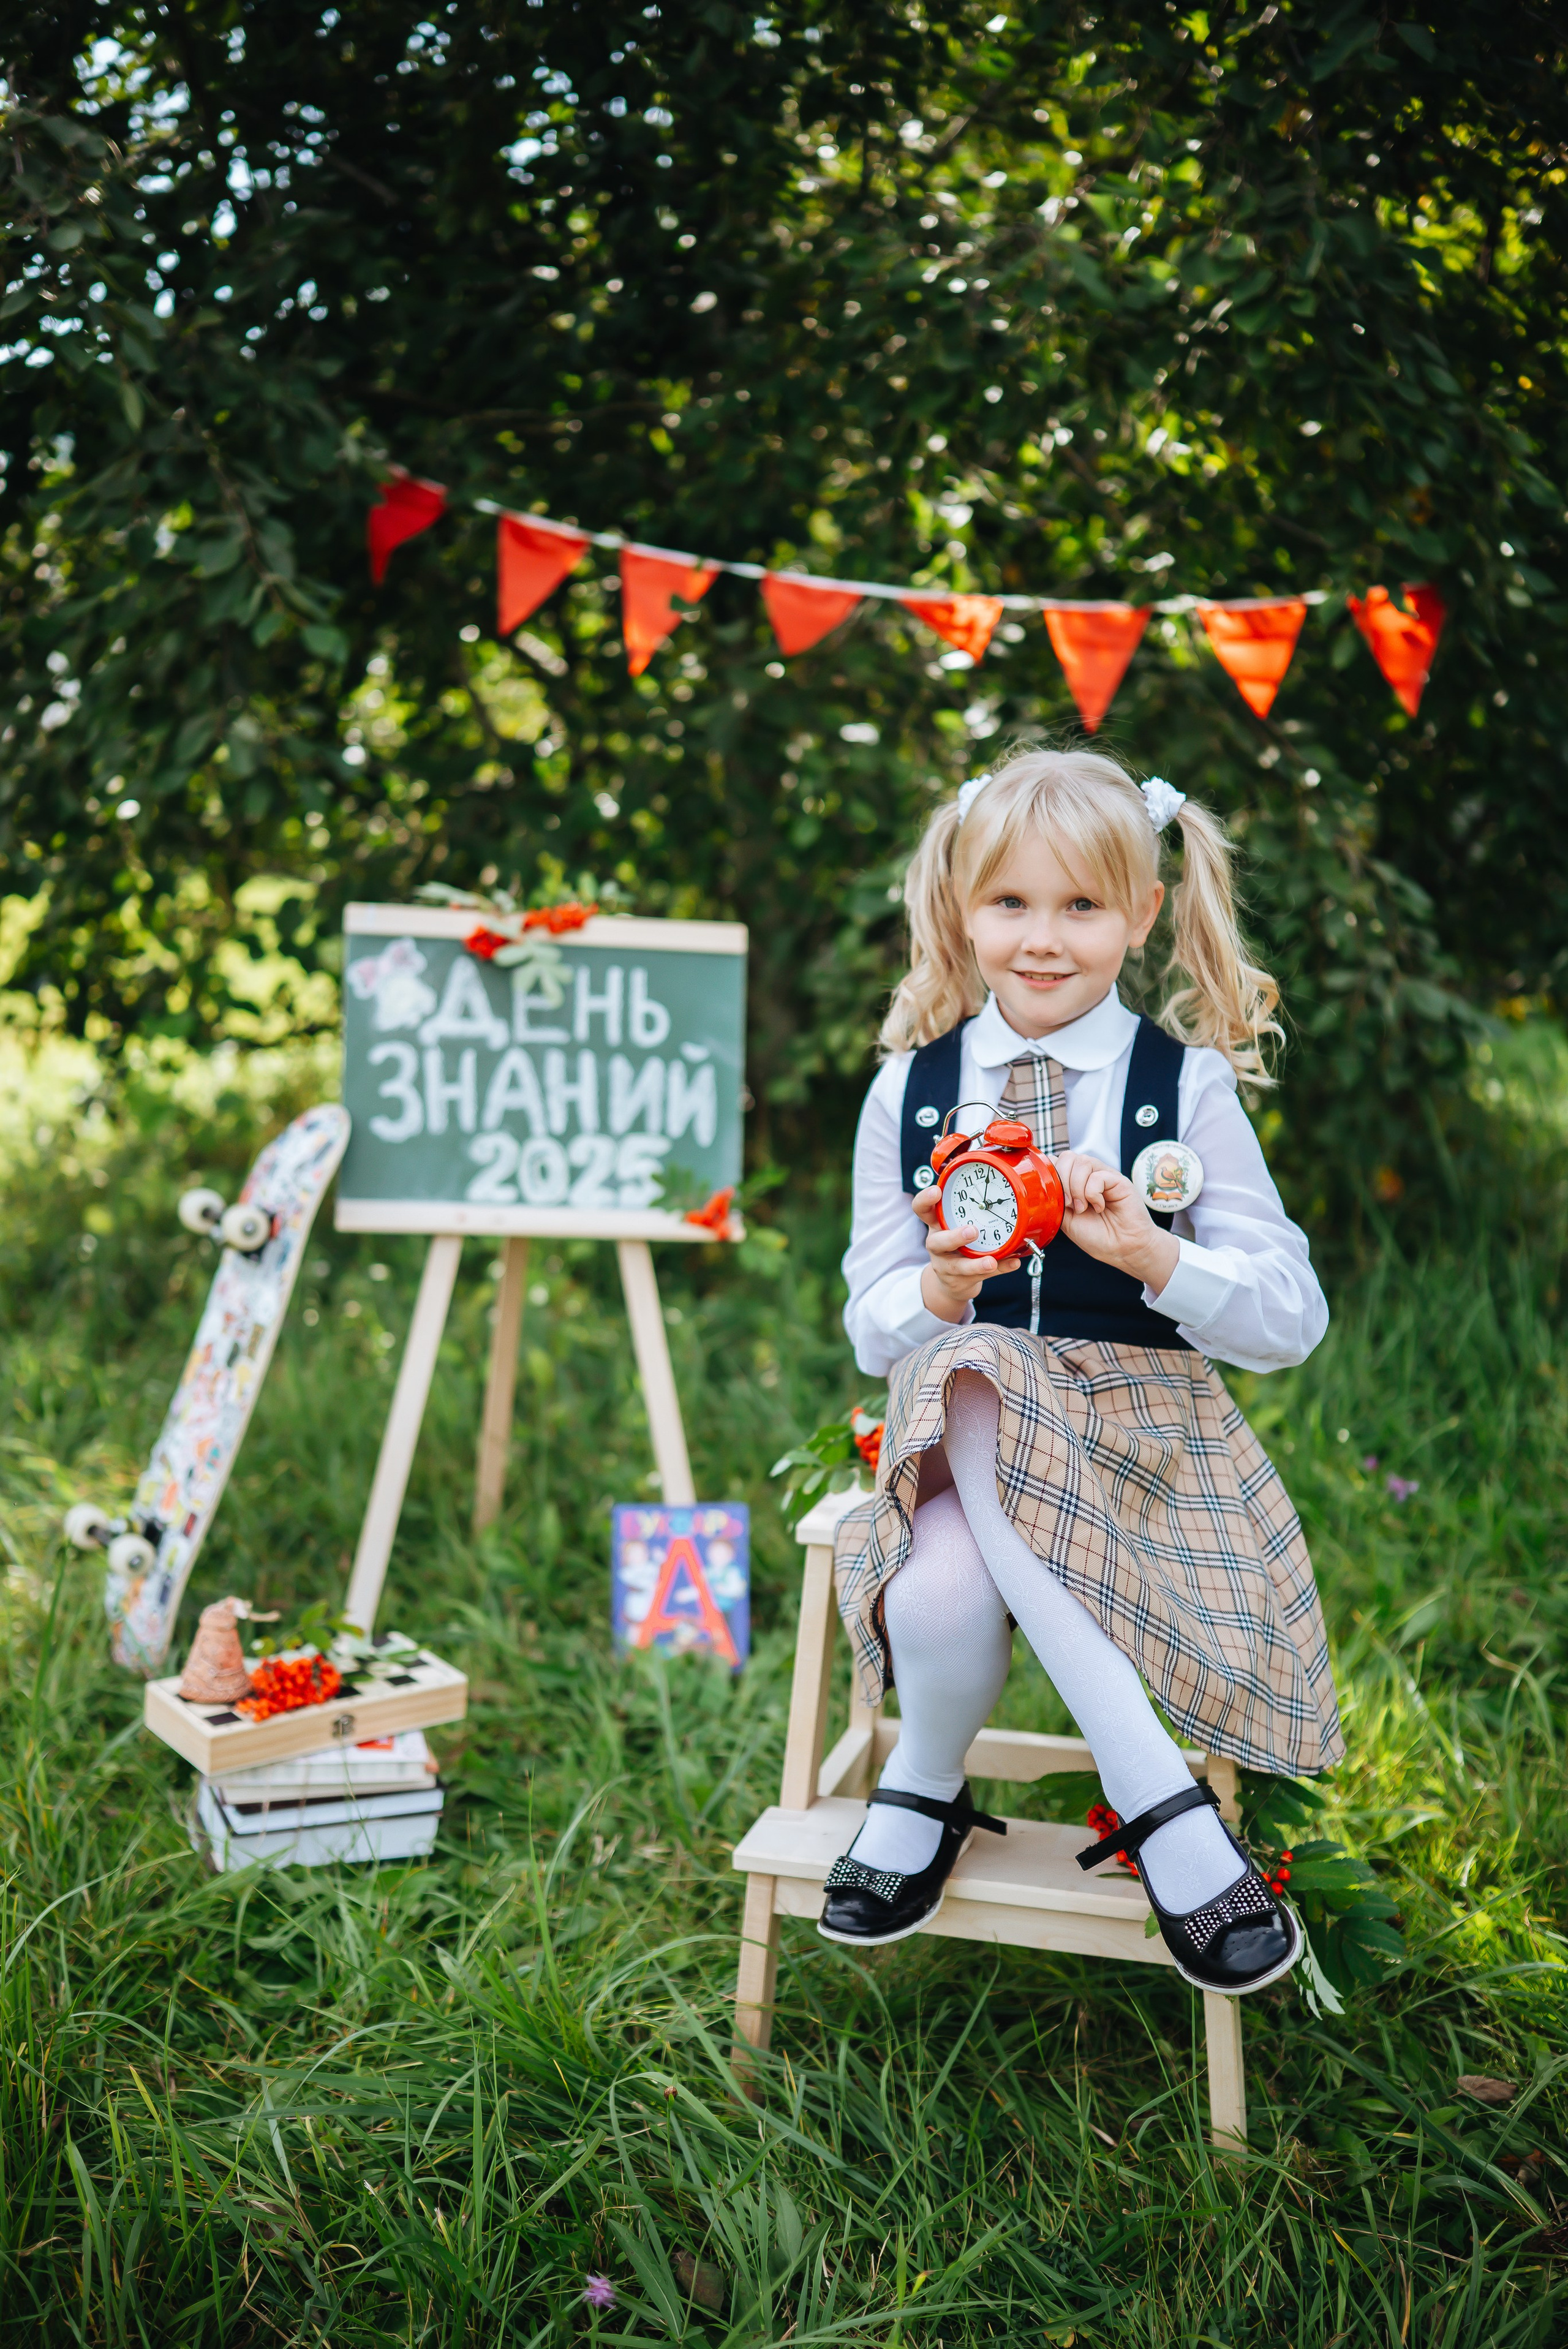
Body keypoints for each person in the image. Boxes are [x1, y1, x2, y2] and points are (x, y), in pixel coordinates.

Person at [821, 746, 1340, 1996]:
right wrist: (939, 1291)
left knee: (952, 1544)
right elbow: (868, 1322)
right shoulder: (912, 1089)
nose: (1041, 939)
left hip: (1144, 1431)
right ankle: (1152, 1798)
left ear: (1141, 913)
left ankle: (924, 1790)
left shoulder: (1179, 1089)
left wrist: (1157, 1255)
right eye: (1009, 904)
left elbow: (1291, 1317)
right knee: (976, 1378)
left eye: (1079, 906)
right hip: (962, 1420)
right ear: (961, 905)